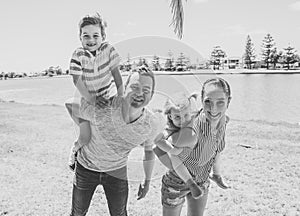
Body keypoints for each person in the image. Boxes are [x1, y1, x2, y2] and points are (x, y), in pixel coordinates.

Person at [66, 67, 165, 216]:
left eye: (146, 90)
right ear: (124, 89)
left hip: (116, 171)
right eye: (134, 87)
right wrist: (84, 130)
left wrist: (147, 180)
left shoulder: (150, 124)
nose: (139, 93)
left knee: (119, 214)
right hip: (87, 167)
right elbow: (70, 104)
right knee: (78, 212)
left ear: (151, 95)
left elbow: (149, 150)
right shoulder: (104, 108)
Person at [154, 77, 232, 216]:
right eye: (208, 101)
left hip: (202, 179)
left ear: (228, 102)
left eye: (220, 102)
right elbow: (159, 147)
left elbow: (217, 150)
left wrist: (217, 174)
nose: (213, 109)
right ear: (202, 101)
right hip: (177, 183)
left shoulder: (223, 121)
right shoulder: (191, 132)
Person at [66, 13, 124, 170]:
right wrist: (92, 100)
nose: (91, 40)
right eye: (86, 36)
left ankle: (110, 161)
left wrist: (121, 97)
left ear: (103, 36)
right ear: (80, 37)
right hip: (88, 99)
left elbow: (117, 75)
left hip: (108, 97)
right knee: (86, 137)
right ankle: (75, 152)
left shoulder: (109, 50)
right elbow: (76, 80)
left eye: (95, 36)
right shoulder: (78, 54)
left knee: (113, 128)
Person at [154, 92, 204, 199]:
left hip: (192, 158)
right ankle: (190, 183)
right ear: (170, 117)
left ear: (190, 112)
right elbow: (158, 141)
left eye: (186, 115)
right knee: (174, 156)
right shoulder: (169, 129)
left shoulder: (192, 120)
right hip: (178, 161)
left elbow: (202, 114)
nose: (182, 120)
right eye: (177, 117)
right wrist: (173, 150)